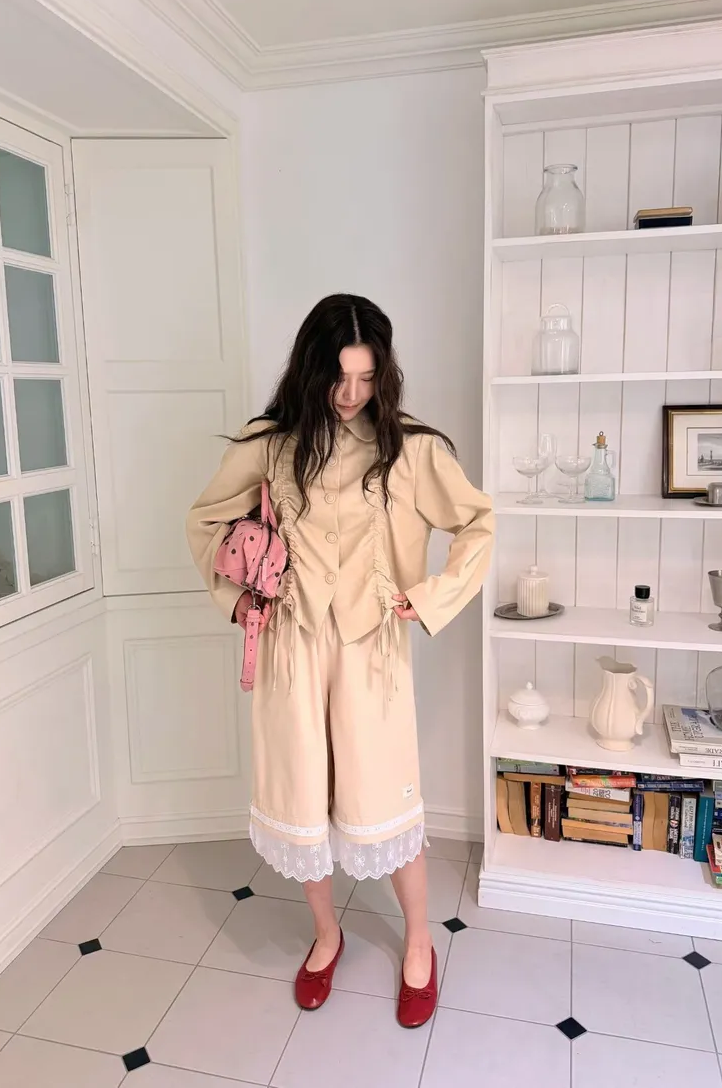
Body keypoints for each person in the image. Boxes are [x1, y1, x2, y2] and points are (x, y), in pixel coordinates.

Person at [187, 293, 494, 1028]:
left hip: (370, 653)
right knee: (303, 799)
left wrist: (432, 595)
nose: (352, 393)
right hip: (292, 648)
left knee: (384, 798)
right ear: (311, 368)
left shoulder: (410, 449)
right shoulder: (271, 444)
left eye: (366, 376)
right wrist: (239, 599)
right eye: (339, 377)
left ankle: (418, 941)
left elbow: (479, 524)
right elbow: (204, 520)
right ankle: (327, 935)